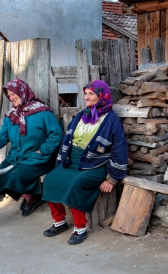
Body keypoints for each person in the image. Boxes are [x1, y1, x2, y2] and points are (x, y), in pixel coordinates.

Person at [42, 80, 128, 245]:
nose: (86, 97)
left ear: (101, 96)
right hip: (73, 161)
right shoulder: (82, 115)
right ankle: (59, 221)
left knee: (76, 184)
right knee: (50, 179)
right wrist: (61, 160)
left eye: (91, 94)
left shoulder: (111, 120)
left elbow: (120, 149)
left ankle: (80, 228)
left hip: (95, 164)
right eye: (85, 93)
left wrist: (112, 178)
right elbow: (67, 141)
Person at [0, 78, 63, 217]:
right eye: (9, 95)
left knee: (16, 176)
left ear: (23, 91)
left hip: (38, 158)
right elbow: (2, 138)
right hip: (15, 157)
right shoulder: (11, 116)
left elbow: (56, 135)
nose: (11, 97)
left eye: (13, 93)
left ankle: (34, 197)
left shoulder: (43, 113)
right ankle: (31, 195)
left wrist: (43, 151)